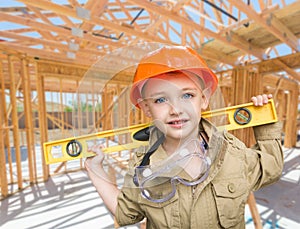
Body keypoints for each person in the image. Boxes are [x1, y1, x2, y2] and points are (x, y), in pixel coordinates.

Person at [85, 46, 283, 228]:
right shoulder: (144, 166)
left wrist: (265, 125)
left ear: (203, 99)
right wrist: (95, 170)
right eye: (161, 99)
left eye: (187, 95)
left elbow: (271, 168)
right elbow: (125, 214)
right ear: (146, 108)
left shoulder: (230, 151)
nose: (176, 109)